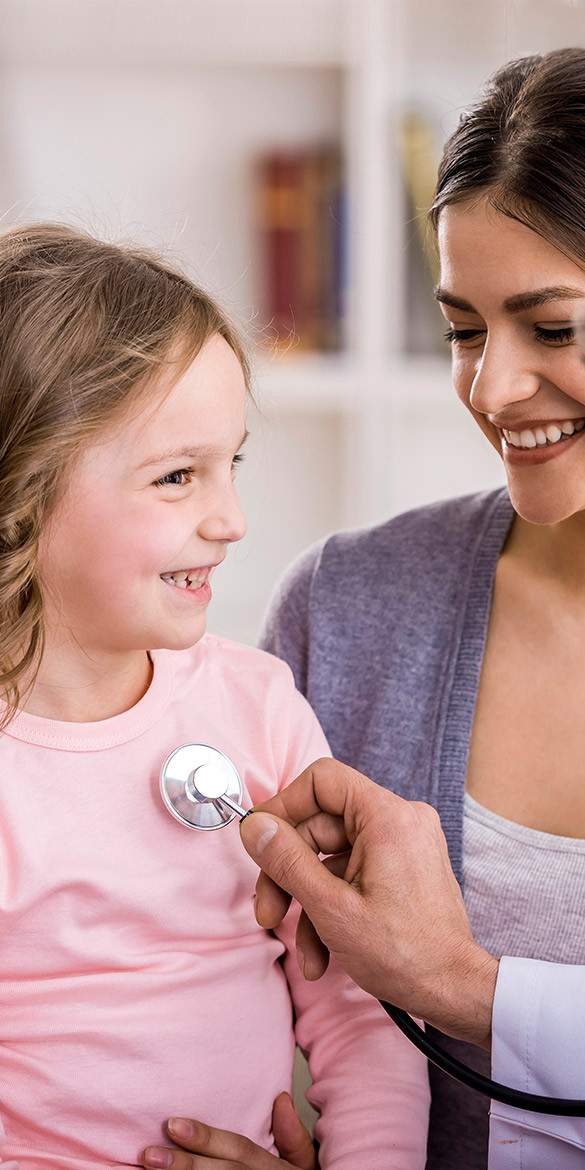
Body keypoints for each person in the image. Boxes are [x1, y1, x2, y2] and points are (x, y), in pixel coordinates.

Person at [0, 223, 430, 1170]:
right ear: (22, 494)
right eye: (177, 476)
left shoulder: (257, 706)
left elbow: (359, 1007)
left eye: (231, 464)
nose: (229, 519)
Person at [246, 45, 585, 1170]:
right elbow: (254, 1009)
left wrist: (463, 988)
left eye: (553, 327)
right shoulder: (343, 609)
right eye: (462, 329)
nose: (490, 390)